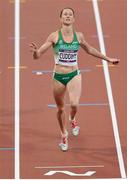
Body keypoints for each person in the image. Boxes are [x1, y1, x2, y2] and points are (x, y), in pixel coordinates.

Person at [30, 7, 120, 151]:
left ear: (73, 19)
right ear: (60, 19)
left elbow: (90, 49)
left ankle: (72, 120)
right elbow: (38, 55)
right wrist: (35, 52)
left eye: (70, 14)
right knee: (60, 108)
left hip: (74, 74)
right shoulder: (54, 36)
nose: (67, 16)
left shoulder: (79, 36)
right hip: (58, 77)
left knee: (74, 104)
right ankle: (63, 134)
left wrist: (108, 59)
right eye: (65, 14)